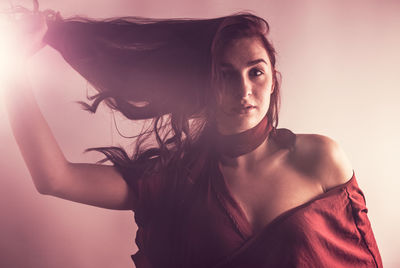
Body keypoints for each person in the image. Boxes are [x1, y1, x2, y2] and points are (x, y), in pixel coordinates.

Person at [3, 3, 382, 268]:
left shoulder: (319, 157)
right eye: (225, 74)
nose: (244, 90)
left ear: (273, 79)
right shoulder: (176, 182)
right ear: (205, 83)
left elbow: (362, 256)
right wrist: (12, 69)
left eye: (256, 71)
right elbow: (54, 178)